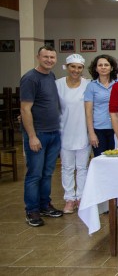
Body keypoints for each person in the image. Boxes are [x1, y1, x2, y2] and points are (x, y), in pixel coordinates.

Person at [20, 45, 64, 227]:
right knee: (35, 174)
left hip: (54, 131)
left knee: (47, 173)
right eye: (46, 57)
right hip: (38, 133)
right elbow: (25, 108)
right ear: (38, 57)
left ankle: (44, 204)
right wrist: (32, 136)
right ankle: (32, 210)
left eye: (52, 57)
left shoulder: (51, 76)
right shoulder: (30, 78)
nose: (49, 60)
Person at [55, 54, 91, 214]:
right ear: (67, 67)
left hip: (83, 131)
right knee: (67, 167)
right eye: (73, 66)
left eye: (79, 67)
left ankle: (81, 197)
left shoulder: (88, 84)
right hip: (64, 131)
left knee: (82, 167)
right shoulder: (58, 85)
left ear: (83, 69)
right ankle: (69, 198)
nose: (76, 70)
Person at [85, 55, 118, 157]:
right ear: (96, 68)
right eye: (100, 65)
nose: (103, 67)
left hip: (116, 129)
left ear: (111, 67)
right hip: (99, 130)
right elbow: (88, 112)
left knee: (116, 161)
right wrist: (91, 133)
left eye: (106, 65)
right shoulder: (91, 86)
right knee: (100, 159)